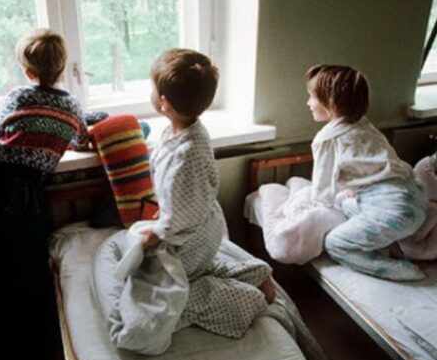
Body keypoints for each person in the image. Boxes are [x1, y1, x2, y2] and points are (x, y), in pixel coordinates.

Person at [0, 28, 88, 360]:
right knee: (30, 264)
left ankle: (7, 345)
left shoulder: (14, 97)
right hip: (26, 190)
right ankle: (36, 346)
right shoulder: (71, 105)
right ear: (63, 68)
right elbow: (81, 139)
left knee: (1, 263)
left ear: (27, 71)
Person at [141, 48, 275, 302]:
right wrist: (165, 212)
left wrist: (159, 232)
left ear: (164, 103)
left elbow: (185, 213)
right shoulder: (179, 131)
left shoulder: (186, 156)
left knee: (169, 292)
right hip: (193, 222)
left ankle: (252, 291)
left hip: (194, 235)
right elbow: (180, 195)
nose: (150, 94)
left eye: (152, 90)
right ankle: (253, 275)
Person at [305, 64, 427, 280]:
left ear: (331, 103)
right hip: (415, 197)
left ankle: (404, 271)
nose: (308, 103)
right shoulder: (364, 125)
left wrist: (311, 208)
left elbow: (322, 191)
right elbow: (369, 167)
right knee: (346, 201)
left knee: (335, 243)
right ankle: (394, 243)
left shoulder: (327, 139)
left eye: (312, 97)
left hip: (393, 211)